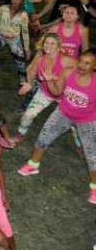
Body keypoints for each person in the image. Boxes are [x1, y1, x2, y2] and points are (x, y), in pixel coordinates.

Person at [18, 49, 96, 203]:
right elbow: (56, 91)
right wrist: (49, 80)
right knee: (43, 138)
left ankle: (95, 187)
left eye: (87, 63)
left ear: (94, 66)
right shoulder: (68, 72)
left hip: (86, 120)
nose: (81, 65)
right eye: (81, 60)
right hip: (63, 113)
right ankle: (33, 165)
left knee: (92, 154)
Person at [13, 33, 78, 143]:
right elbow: (32, 73)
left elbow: (83, 71)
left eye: (53, 43)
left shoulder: (66, 60)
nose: (48, 45)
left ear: (58, 46)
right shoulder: (39, 60)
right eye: (46, 43)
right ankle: (21, 133)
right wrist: (29, 84)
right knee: (28, 115)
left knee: (75, 123)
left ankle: (80, 144)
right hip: (45, 93)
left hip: (65, 96)